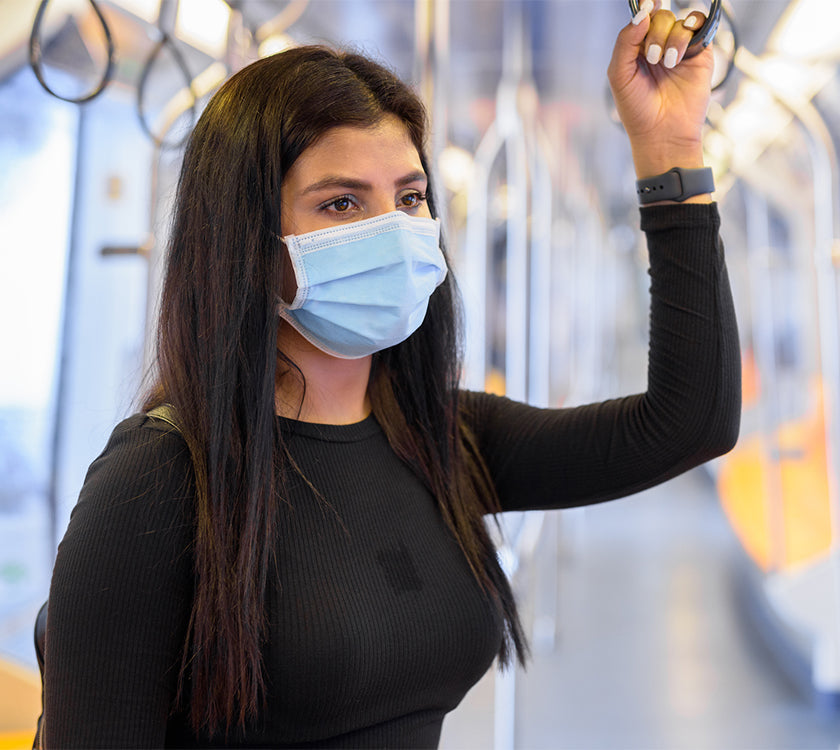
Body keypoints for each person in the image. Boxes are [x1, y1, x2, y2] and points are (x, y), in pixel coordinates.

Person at [42, 2, 741, 747]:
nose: (394, 231)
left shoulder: (444, 437)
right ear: (247, 237)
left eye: (409, 198)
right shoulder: (159, 481)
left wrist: (669, 150)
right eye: (342, 203)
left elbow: (691, 420)